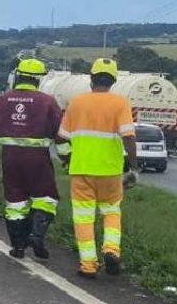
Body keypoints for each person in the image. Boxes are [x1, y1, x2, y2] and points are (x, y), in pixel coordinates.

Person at [0, 58, 65, 260]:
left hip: (10, 159)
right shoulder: (47, 102)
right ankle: (36, 235)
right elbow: (61, 136)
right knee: (46, 198)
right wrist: (67, 158)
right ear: (38, 80)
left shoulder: (1, 101)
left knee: (15, 203)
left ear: (18, 76)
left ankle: (18, 247)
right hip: (38, 160)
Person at [57, 58, 138, 279]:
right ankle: (111, 250)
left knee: (84, 219)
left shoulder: (77, 103)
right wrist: (133, 166)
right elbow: (129, 137)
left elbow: (61, 137)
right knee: (111, 214)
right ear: (113, 80)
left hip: (81, 171)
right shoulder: (120, 104)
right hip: (111, 173)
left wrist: (66, 158)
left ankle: (88, 266)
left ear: (92, 79)